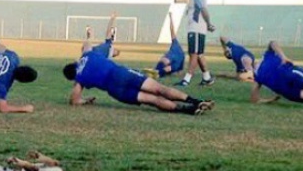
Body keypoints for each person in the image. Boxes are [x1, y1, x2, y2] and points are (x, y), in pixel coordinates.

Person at [63, 33, 214, 115]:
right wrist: (86, 42)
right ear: (74, 62)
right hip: (120, 73)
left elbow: (74, 101)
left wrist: (85, 100)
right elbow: (86, 44)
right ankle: (196, 101)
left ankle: (189, 110)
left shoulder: (79, 80)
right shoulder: (86, 55)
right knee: (159, 89)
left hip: (115, 90)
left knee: (153, 100)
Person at [178, 0, 215, 87]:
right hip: (196, 28)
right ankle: (207, 78)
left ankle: (186, 80)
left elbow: (203, 9)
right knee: (199, 54)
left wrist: (209, 24)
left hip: (196, 29)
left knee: (193, 54)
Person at [144, 12, 184, 79]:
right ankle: (159, 73)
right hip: (178, 60)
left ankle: (157, 71)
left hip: (172, 57)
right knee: (171, 68)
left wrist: (170, 18)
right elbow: (179, 72)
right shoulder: (179, 51)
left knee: (165, 62)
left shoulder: (175, 44)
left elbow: (172, 30)